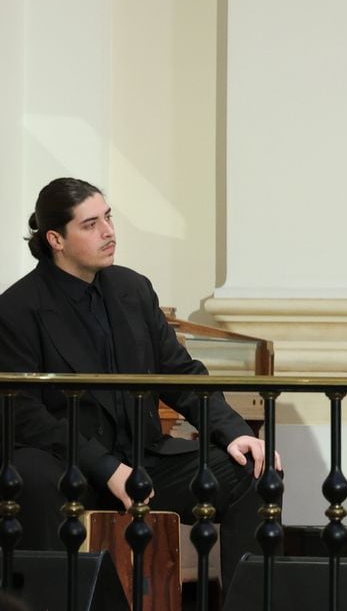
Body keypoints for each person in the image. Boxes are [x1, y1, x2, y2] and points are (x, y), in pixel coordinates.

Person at [0, 177, 282, 591]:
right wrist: (105, 467)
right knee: (28, 473)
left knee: (254, 472)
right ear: (56, 239)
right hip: (68, 463)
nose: (109, 232)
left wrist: (234, 430)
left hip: (144, 459)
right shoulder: (17, 308)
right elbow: (25, 416)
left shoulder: (132, 288)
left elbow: (179, 373)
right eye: (91, 224)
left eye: (109, 218)